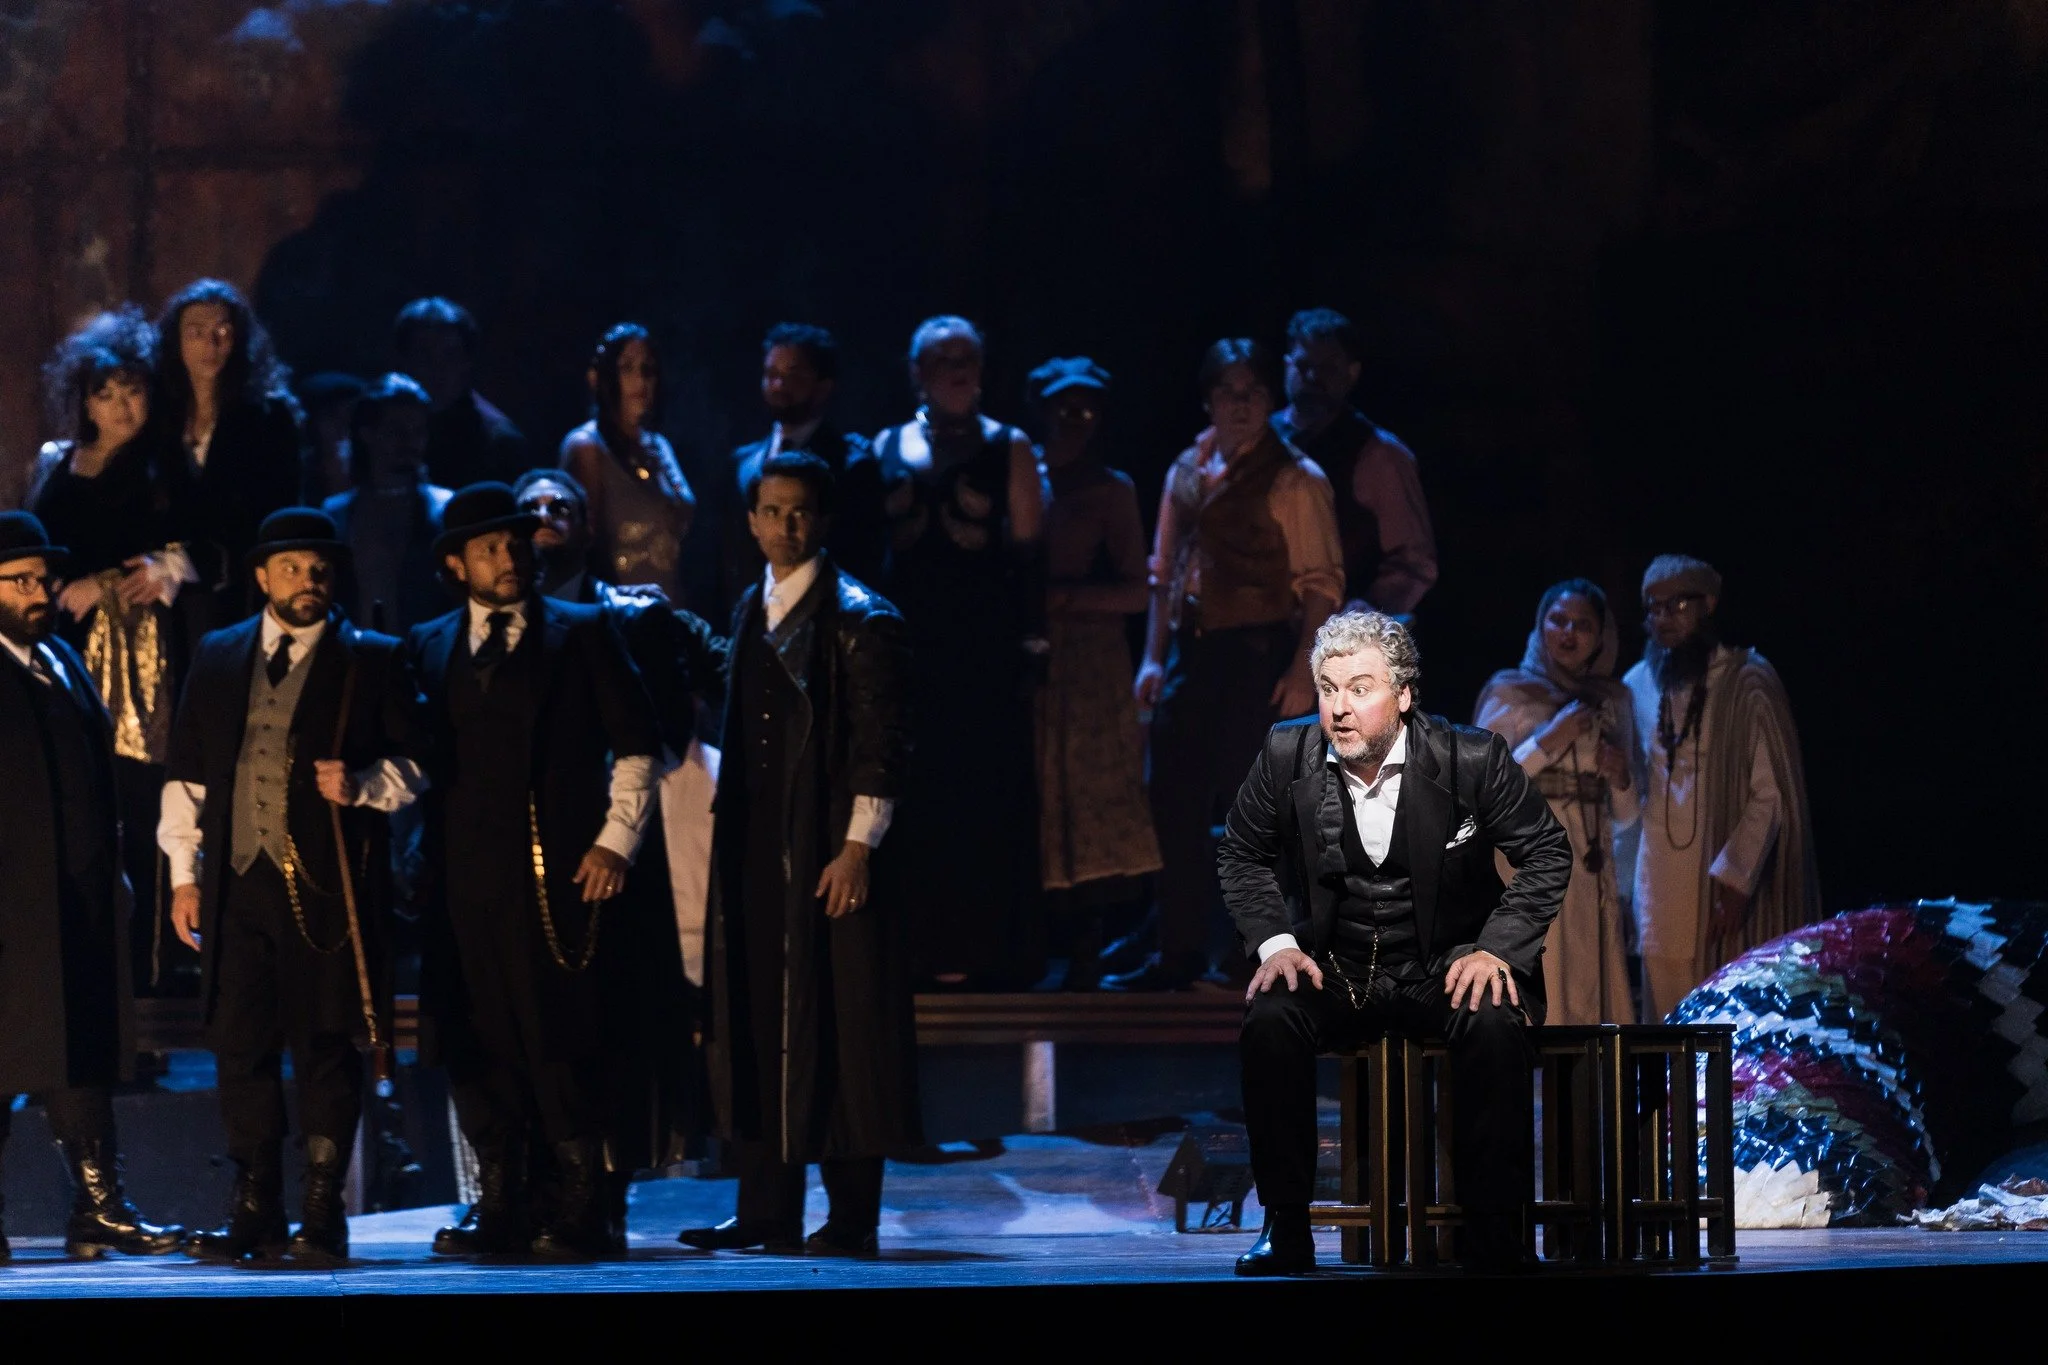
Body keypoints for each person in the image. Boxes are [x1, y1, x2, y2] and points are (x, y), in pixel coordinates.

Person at [1221, 611, 1572, 1274]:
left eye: (1359, 688)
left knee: (1494, 1022)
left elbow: (1548, 850)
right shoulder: (1284, 754)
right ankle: (1286, 1225)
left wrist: (1496, 947)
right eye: (1328, 689)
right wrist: (1273, 943)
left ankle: (1492, 1229)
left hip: (1444, 967)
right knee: (1270, 1016)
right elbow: (1240, 851)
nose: (1340, 707)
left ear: (1404, 694)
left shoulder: (1472, 758)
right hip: (1337, 969)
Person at [158, 508, 426, 1263]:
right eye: (292, 568)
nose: (308, 581)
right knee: (238, 1044)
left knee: (323, 1044)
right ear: (262, 577)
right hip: (237, 885)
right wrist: (184, 877)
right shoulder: (218, 654)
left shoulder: (371, 656)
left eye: (318, 569)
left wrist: (366, 783)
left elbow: (421, 761)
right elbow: (185, 778)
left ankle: (321, 1208)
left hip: (327, 889)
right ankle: (255, 1204)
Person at [406, 483, 660, 1259]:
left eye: (517, 542)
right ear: (457, 563)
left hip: (558, 877)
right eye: (490, 547)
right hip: (463, 881)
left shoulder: (581, 632)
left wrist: (615, 841)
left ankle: (582, 1202)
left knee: (563, 1034)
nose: (511, 556)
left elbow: (639, 743)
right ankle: (503, 1200)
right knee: (479, 1039)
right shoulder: (430, 641)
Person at [678, 451, 916, 1256]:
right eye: (774, 510)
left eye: (802, 510)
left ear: (824, 518)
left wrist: (856, 846)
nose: (788, 524)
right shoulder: (754, 605)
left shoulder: (861, 616)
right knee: (755, 1014)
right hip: (756, 853)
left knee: (846, 1023)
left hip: (824, 846)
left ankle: (851, 1217)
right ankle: (764, 1208)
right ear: (751, 521)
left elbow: (881, 744)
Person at [516, 466, 726, 1228]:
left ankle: (601, 1187)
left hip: (614, 845)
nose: (545, 516)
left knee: (613, 1017)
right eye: (531, 506)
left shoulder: (630, 616)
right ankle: (530, 1185)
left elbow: (672, 726)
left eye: (560, 506)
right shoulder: (493, 622)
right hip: (525, 852)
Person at [1111, 339, 1343, 991]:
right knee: (1174, 800)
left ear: (1270, 402)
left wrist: (1305, 665)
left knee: (1252, 810)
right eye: (1228, 393)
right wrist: (1154, 656)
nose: (1240, 405)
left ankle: (1257, 952)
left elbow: (1321, 582)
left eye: (1254, 394)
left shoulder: (1296, 476)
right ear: (1209, 399)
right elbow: (1165, 571)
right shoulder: (1187, 468)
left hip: (1258, 649)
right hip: (1195, 648)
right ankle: (1176, 948)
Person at [0, 511, 185, 1261]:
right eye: (22, 580)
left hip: (74, 899)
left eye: (44, 577)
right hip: (10, 904)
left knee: (79, 1050)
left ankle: (98, 1207)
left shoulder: (61, 660)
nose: (41, 590)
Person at [872, 315, 1048, 987]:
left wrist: (1033, 645)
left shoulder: (1009, 446)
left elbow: (1029, 555)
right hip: (909, 648)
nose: (958, 370)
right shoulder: (886, 444)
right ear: (916, 371)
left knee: (983, 792)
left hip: (982, 652)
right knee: (916, 795)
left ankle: (987, 948)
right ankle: (918, 945)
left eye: (968, 358)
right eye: (943, 358)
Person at [28, 306, 196, 996]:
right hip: (69, 646)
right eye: (106, 393)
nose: (122, 406)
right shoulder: (57, 464)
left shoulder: (161, 464)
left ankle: (150, 973)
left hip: (138, 652)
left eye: (133, 390)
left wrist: (112, 580)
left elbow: (182, 548)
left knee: (141, 794)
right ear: (84, 400)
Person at [1623, 555, 1819, 1020]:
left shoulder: (1747, 680)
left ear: (1708, 604)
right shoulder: (1635, 684)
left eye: (1677, 605)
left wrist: (1736, 879)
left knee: (1722, 1021)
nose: (1663, 618)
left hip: (1719, 887)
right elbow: (1633, 794)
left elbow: (1771, 791)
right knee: (1665, 1026)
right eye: (1653, 608)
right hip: (1656, 882)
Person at [1027, 357, 1161, 989]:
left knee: (1087, 791)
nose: (1073, 421)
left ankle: (1087, 947)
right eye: (1062, 407)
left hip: (1090, 660)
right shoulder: (1021, 472)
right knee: (1036, 787)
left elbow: (1138, 589)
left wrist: (1066, 601)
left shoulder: (1112, 490)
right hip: (1030, 657)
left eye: (1086, 410)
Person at [1474, 579, 1639, 1025]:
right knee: (1540, 969)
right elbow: (1485, 787)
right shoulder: (1509, 691)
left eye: (1583, 625)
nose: (1568, 632)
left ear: (1600, 636)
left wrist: (1620, 776)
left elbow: (1627, 818)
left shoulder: (1613, 700)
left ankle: (1582, 1089)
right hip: (1526, 857)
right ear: (1540, 625)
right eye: (1558, 620)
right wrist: (1549, 740)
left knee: (1584, 980)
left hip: (1589, 863)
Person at [155, 278, 306, 631]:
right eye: (196, 332)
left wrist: (198, 558)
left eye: (223, 330)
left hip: (241, 593)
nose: (211, 343)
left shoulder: (269, 418)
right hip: (167, 596)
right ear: (176, 342)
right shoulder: (160, 417)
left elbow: (269, 512)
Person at [1271, 309, 1436, 619]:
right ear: (1286, 365)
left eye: (1327, 368)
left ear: (1352, 372)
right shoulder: (1261, 440)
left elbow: (1415, 562)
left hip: (1332, 636)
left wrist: (1367, 610)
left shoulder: (1379, 454)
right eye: (1304, 365)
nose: (1313, 378)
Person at [726, 323, 886, 604]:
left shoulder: (851, 466)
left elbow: (864, 561)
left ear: (823, 386)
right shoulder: (743, 462)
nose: (778, 385)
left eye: (793, 375)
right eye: (771, 374)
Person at [558, 322, 695, 604]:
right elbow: (581, 547)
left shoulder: (659, 446)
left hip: (670, 611)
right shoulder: (586, 447)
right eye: (627, 368)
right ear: (606, 377)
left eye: (648, 369)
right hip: (618, 615)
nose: (640, 380)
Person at [322, 373, 454, 634]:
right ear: (367, 434)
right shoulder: (336, 514)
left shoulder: (445, 509)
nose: (411, 441)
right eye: (397, 431)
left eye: (419, 431)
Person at [393, 297, 527, 490]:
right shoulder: (380, 434)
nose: (437, 368)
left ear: (467, 362)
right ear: (403, 361)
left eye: (450, 355)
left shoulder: (498, 441)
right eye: (424, 355)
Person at [297, 371, 365, 504]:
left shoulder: (374, 469)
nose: (343, 425)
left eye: (351, 415)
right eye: (332, 416)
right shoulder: (299, 471)